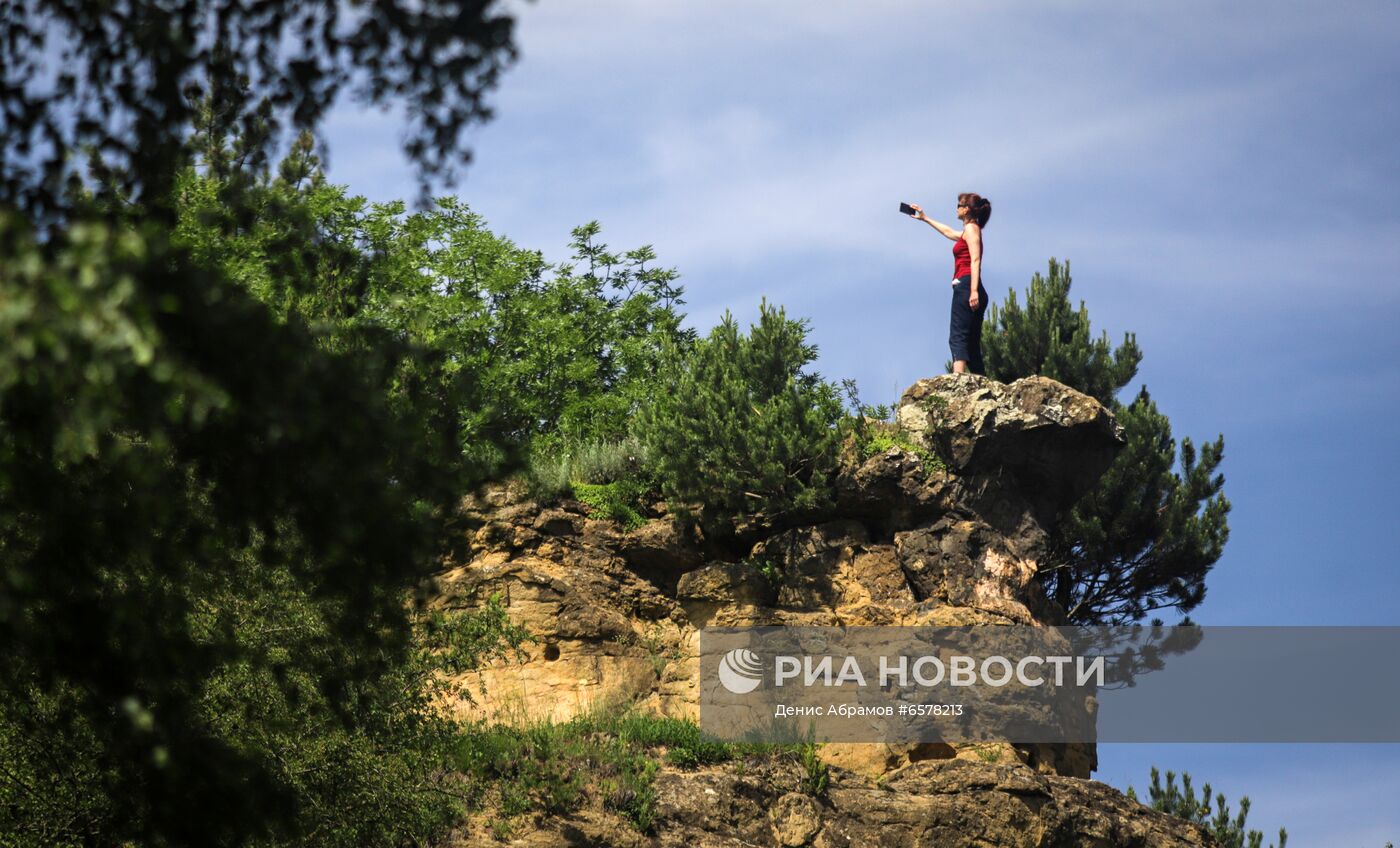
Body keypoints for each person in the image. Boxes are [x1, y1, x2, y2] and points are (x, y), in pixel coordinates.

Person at [908, 193, 993, 374]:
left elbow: (976, 259)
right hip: (971, 286)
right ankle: (981, 381)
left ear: (967, 209)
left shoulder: (971, 229)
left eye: (959, 205)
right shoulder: (968, 231)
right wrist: (925, 218)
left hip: (967, 285)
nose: (956, 208)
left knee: (958, 336)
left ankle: (958, 379)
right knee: (971, 343)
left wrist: (973, 291)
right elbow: (948, 232)